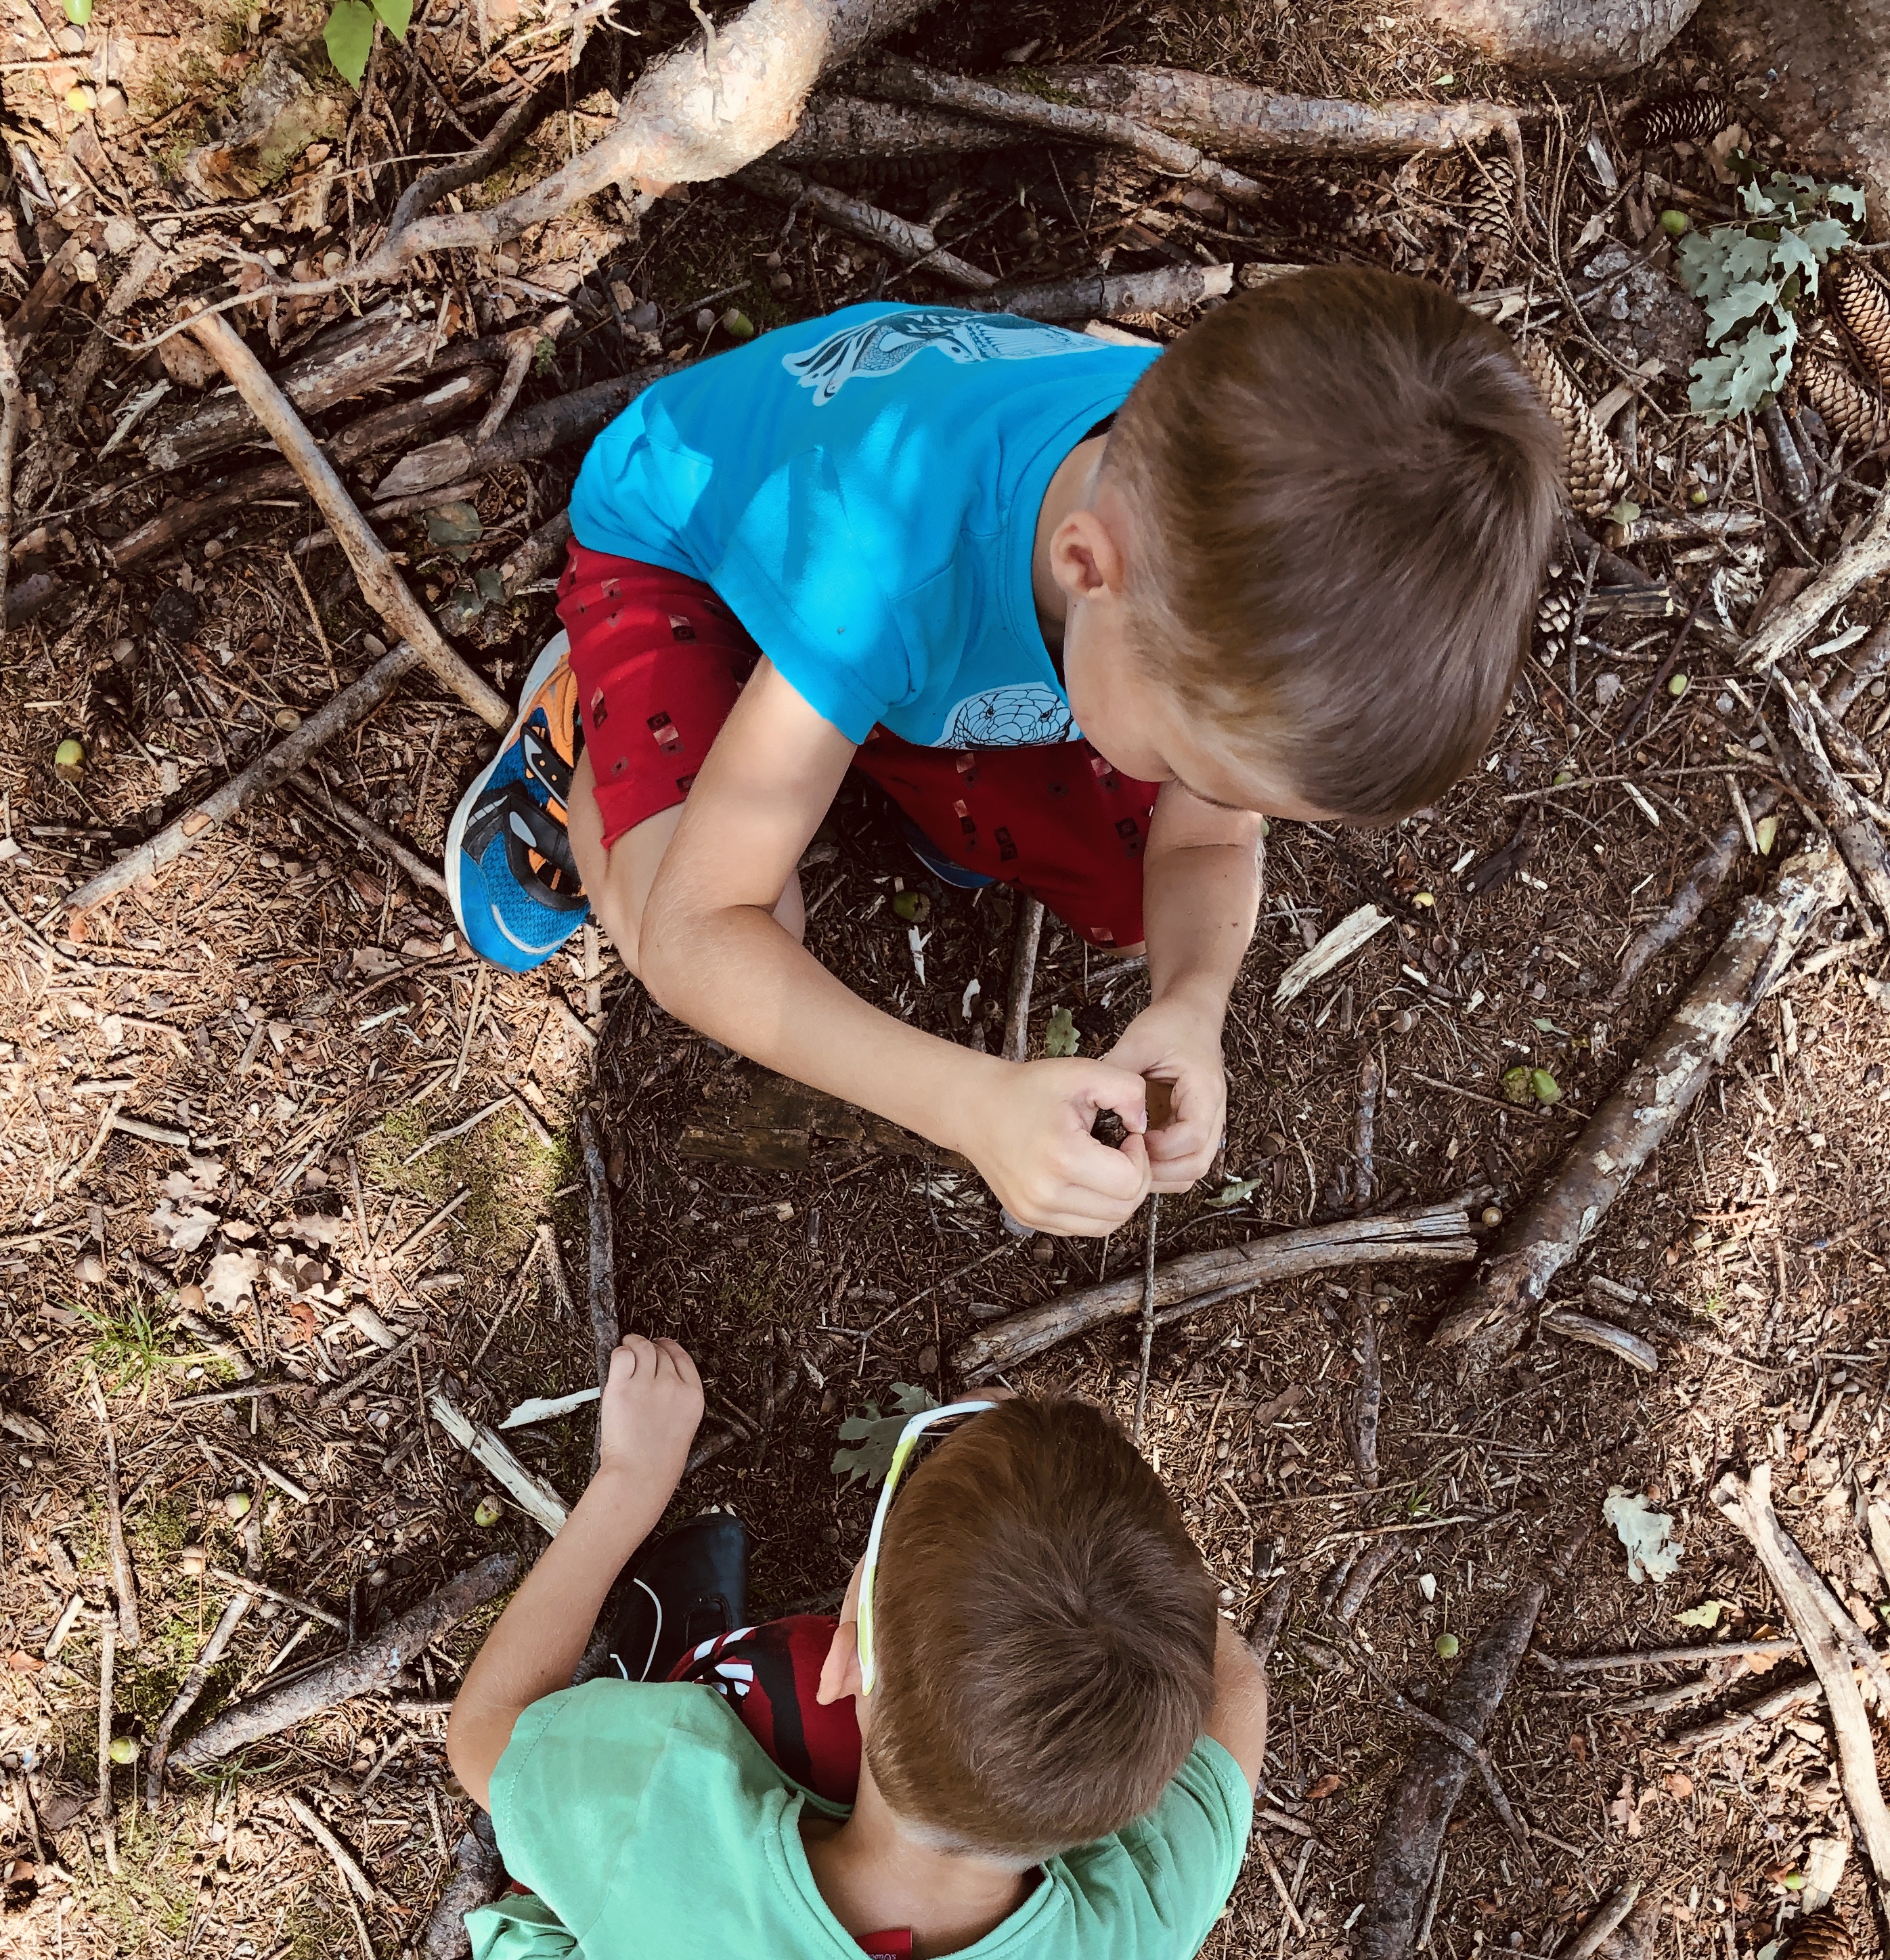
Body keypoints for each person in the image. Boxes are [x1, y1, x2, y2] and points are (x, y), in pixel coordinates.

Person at [445, 267, 1562, 1235]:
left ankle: (890, 744)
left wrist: (1193, 1002)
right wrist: (968, 1102)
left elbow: (1210, 845)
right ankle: (593, 705)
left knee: (1141, 894)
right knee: (716, 919)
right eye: (1196, 763)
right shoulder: (879, 568)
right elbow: (699, 940)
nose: (1207, 802)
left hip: (911, 632)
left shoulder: (1212, 474)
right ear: (1088, 568)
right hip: (695, 559)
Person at [445, 1333, 1267, 1960]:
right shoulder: (1149, 1904)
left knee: (751, 1690)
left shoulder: (673, 1792)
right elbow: (1237, 1688)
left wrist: (630, 1480)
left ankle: (662, 1657)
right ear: (1142, 1791)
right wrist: (1123, 1599)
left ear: (848, 1657)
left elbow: (482, 1734)